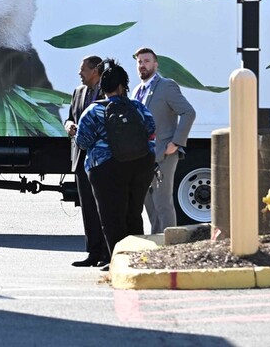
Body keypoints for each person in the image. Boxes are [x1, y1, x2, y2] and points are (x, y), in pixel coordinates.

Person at [75, 58, 156, 270]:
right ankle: (138, 258)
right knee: (134, 213)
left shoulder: (93, 111)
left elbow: (82, 141)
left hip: (105, 169)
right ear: (123, 86)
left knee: (111, 217)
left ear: (103, 87)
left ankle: (117, 261)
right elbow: (150, 130)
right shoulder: (139, 108)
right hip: (140, 166)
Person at [132, 47, 197, 234]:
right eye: (139, 62)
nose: (143, 65)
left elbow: (188, 112)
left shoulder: (166, 85)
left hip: (164, 154)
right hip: (143, 156)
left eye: (146, 61)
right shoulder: (137, 90)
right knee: (148, 204)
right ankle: (157, 240)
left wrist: (176, 143)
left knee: (163, 203)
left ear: (155, 64)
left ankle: (170, 246)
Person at [64, 55, 108, 267]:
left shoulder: (108, 90)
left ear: (95, 71)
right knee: (88, 208)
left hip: (102, 160)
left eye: (83, 69)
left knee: (105, 208)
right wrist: (69, 126)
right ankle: (92, 253)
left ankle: (108, 254)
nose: (79, 73)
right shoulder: (78, 92)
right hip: (81, 158)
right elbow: (70, 116)